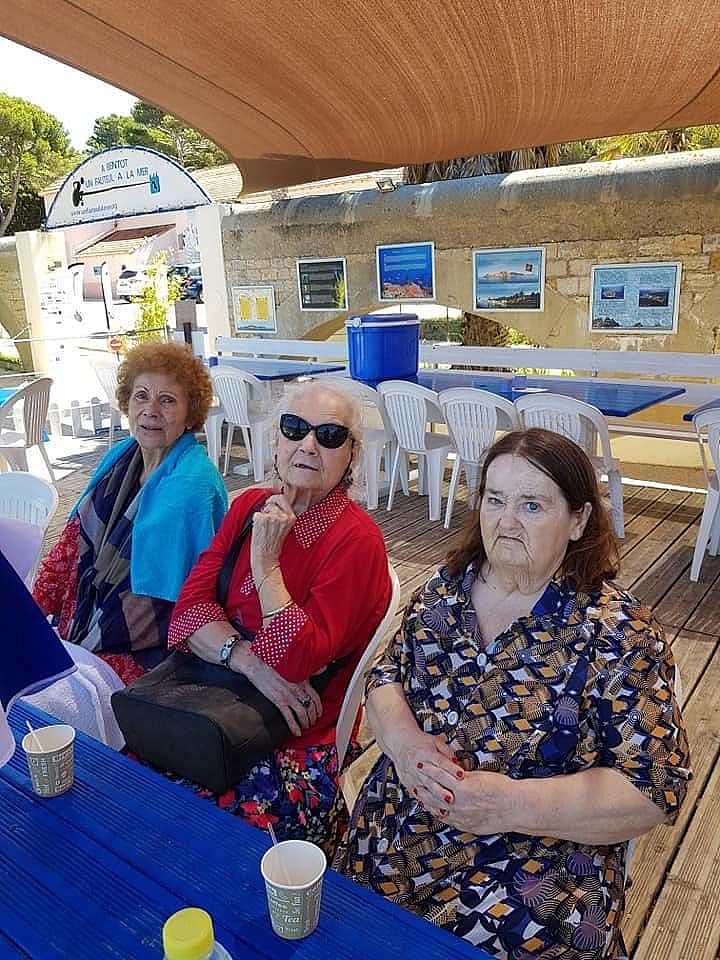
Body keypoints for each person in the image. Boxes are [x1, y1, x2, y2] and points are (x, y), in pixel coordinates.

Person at [335, 428, 691, 960]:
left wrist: (510, 806)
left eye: (532, 505)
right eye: (495, 499)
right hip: (398, 827)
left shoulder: (617, 633)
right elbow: (386, 673)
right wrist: (405, 745)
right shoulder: (445, 591)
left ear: (578, 521)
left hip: (538, 859)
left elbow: (654, 788)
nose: (506, 522)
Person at [167, 379, 391, 850]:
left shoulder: (356, 541)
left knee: (188, 826)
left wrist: (266, 565)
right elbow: (187, 612)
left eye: (329, 436)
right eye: (294, 428)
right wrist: (247, 661)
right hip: (219, 695)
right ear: (276, 439)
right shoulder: (250, 506)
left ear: (351, 455)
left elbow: (295, 662)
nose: (308, 445)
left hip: (290, 732)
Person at [33, 340, 227, 685]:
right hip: (82, 626)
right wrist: (31, 614)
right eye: (141, 396)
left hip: (149, 651)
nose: (150, 410)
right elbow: (70, 548)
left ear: (190, 414)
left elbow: (172, 601)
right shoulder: (120, 458)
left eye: (167, 400)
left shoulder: (193, 485)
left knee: (50, 690)